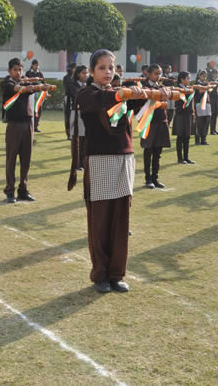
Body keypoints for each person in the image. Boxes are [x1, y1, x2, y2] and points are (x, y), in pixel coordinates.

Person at [72, 49, 150, 293]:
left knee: (120, 219)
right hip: (100, 160)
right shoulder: (87, 93)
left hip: (125, 158)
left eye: (112, 67)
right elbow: (105, 101)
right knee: (100, 220)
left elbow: (140, 105)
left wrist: (149, 95)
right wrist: (122, 93)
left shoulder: (119, 93)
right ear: (92, 71)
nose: (108, 72)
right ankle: (101, 275)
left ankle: (117, 274)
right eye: (102, 67)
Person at [2, 57, 50, 203]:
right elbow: (18, 89)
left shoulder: (26, 80)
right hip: (14, 124)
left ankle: (23, 190)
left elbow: (35, 84)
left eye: (20, 69)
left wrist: (42, 86)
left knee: (26, 159)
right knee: (11, 159)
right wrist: (32, 87)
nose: (18, 72)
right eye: (15, 69)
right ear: (9, 70)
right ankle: (10, 191)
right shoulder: (7, 82)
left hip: (28, 123)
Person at [141, 64, 171, 189]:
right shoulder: (144, 87)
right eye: (156, 73)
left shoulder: (162, 87)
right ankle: (148, 179)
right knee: (148, 150)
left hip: (161, 120)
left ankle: (155, 178)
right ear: (148, 74)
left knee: (158, 151)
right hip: (149, 121)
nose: (158, 76)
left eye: (160, 73)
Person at [172, 71, 194, 164]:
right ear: (182, 79)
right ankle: (180, 158)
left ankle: (186, 157)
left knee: (187, 137)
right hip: (181, 115)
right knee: (180, 137)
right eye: (188, 78)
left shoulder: (188, 88)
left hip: (188, 115)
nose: (189, 80)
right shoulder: (178, 89)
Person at [70, 65, 89, 171]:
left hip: (86, 113)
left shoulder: (87, 85)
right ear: (78, 74)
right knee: (76, 140)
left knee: (85, 139)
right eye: (83, 73)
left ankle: (83, 162)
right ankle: (76, 163)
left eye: (86, 73)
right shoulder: (73, 85)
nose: (85, 75)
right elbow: (77, 96)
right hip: (76, 113)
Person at [26, 59, 45, 132]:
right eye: (36, 65)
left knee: (38, 110)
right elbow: (26, 82)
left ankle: (36, 126)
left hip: (39, 94)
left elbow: (43, 82)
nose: (37, 66)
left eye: (38, 65)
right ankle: (30, 126)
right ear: (32, 65)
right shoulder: (28, 73)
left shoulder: (40, 73)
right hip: (31, 94)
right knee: (31, 110)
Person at [194, 70, 211, 145]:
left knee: (206, 121)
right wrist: (206, 87)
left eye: (205, 76)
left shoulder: (206, 83)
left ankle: (204, 139)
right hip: (199, 104)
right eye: (203, 76)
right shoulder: (196, 84)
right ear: (199, 76)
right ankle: (197, 139)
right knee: (199, 122)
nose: (204, 77)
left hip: (207, 104)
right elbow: (199, 92)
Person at [62, 62, 77, 138]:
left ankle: (73, 133)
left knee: (74, 116)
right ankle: (68, 133)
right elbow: (68, 88)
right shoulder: (66, 78)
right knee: (68, 116)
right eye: (74, 68)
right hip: (68, 98)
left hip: (75, 98)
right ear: (70, 69)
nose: (75, 69)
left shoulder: (76, 78)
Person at [209, 68, 218, 135]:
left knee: (215, 115)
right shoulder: (211, 81)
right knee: (212, 115)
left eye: (217, 73)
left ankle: (214, 129)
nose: (216, 75)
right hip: (212, 99)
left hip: (217, 99)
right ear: (212, 74)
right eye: (215, 73)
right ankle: (211, 130)